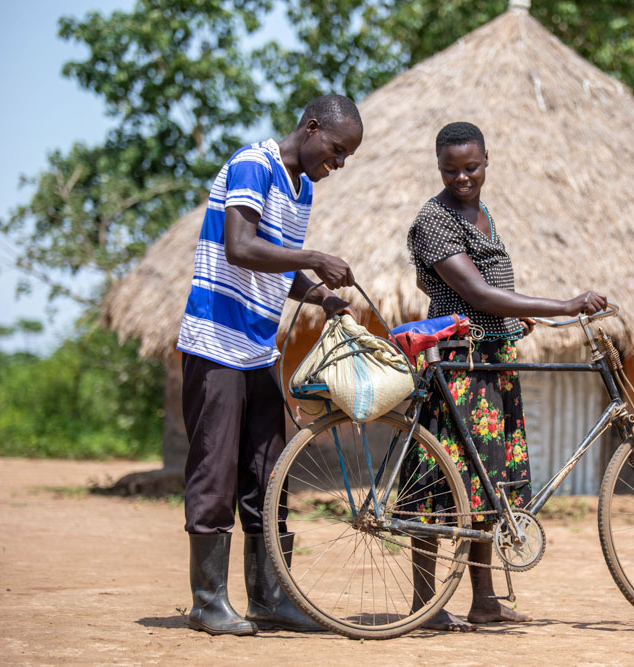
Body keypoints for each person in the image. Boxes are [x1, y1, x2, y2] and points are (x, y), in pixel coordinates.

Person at [402, 121, 606, 632]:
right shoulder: (435, 218)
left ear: (487, 160)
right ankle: (424, 603)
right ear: (439, 168)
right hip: (458, 365)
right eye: (451, 170)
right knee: (438, 481)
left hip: (493, 359)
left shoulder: (481, 212)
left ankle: (485, 601)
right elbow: (480, 295)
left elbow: (496, 297)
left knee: (490, 482)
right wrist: (564, 303)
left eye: (471, 167)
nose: (462, 177)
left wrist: (514, 321)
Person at [176, 94, 362, 636]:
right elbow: (240, 246)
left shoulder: (300, 186)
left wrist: (316, 295)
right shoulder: (253, 164)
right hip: (215, 344)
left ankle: (268, 597)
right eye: (336, 149)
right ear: (310, 128)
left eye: (347, 156)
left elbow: (272, 268)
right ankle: (208, 601)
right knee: (216, 471)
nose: (339, 163)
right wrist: (313, 258)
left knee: (267, 472)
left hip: (257, 349)